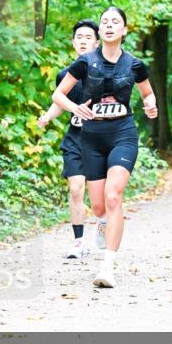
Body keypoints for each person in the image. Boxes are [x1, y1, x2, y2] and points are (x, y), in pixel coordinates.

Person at [53, 6, 158, 288]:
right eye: (105, 22)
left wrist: (151, 106)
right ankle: (100, 220)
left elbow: (147, 93)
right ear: (100, 31)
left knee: (114, 196)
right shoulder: (85, 62)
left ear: (124, 30)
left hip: (122, 133)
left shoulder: (135, 64)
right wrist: (76, 107)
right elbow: (58, 94)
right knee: (98, 203)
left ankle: (107, 266)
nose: (109, 25)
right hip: (91, 137)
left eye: (115, 22)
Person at [38, 19, 100, 258]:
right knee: (76, 189)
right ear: (73, 42)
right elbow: (60, 102)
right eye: (79, 37)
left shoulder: (105, 71)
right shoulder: (65, 75)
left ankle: (103, 223)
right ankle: (79, 241)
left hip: (101, 138)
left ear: (96, 42)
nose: (83, 41)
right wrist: (47, 117)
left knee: (98, 195)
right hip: (75, 138)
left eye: (88, 37)